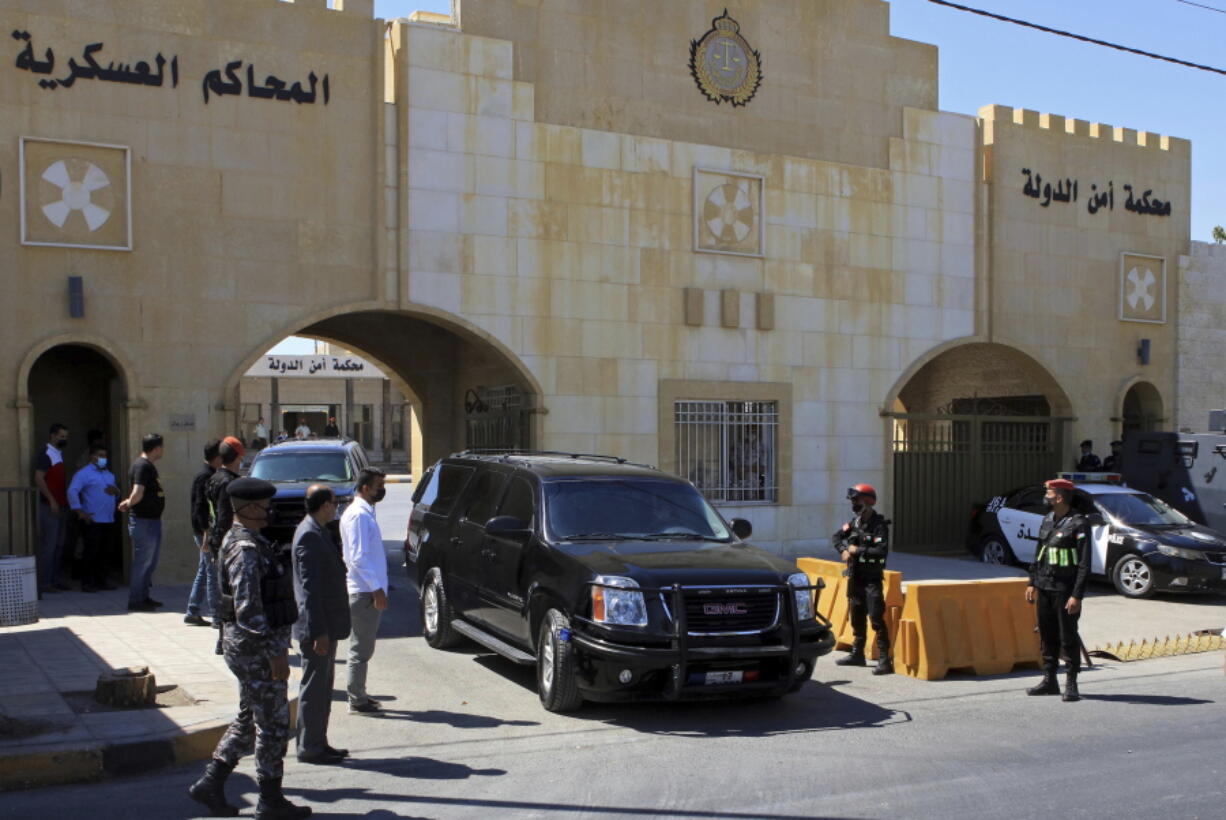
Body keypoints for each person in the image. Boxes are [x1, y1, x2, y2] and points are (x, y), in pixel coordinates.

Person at [188, 477, 311, 820]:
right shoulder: (244, 548)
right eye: (264, 504)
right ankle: (270, 802)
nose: (269, 510)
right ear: (248, 508)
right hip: (255, 649)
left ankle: (210, 784)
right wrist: (275, 652)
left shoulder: (248, 541)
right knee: (272, 725)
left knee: (248, 720)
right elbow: (248, 608)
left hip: (248, 647)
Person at [292, 485, 351, 763]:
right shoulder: (309, 536)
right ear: (324, 505)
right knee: (313, 690)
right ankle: (309, 746)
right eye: (334, 502)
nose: (336, 507)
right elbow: (309, 590)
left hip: (327, 625)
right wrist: (319, 632)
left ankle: (318, 740)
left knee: (323, 689)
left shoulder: (317, 531)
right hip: (318, 629)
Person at [1025, 478, 1092, 702]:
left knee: (1068, 637)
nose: (1046, 497)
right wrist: (1032, 582)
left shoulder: (1079, 523)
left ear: (1060, 497)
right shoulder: (1047, 520)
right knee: (1047, 635)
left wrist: (1077, 595)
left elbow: (1084, 563)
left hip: (1065, 590)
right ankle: (1049, 680)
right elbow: (1039, 554)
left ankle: (1071, 683)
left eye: (1049, 493)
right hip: (1044, 587)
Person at [341, 467, 388, 714]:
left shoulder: (363, 512)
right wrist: (376, 589)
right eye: (379, 485)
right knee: (360, 648)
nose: (382, 490)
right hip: (364, 592)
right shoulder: (359, 515)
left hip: (366, 590)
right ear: (366, 488)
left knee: (363, 647)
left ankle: (359, 693)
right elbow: (359, 558)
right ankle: (356, 698)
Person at [832, 483, 893, 675]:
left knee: (875, 616)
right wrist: (843, 550)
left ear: (867, 501)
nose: (854, 504)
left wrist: (857, 550)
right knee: (857, 615)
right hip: (855, 577)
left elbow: (881, 551)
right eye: (852, 501)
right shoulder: (854, 523)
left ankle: (884, 659)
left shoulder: (879, 525)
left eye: (856, 500)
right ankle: (857, 653)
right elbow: (836, 537)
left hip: (872, 578)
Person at [117, 434, 166, 612]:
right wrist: (128, 503)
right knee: (143, 562)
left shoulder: (147, 466)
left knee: (149, 563)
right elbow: (138, 492)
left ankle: (144, 596)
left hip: (151, 520)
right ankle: (136, 600)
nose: (162, 450)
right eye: (161, 447)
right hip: (143, 521)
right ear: (156, 448)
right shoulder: (142, 466)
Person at [66, 442, 119, 592]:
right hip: (93, 519)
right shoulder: (83, 474)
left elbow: (115, 493)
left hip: (108, 519)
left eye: (105, 456)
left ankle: (102, 580)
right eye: (100, 455)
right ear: (92, 457)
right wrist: (79, 511)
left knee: (105, 552)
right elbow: (72, 491)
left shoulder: (109, 474)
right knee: (91, 552)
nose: (103, 458)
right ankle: (88, 583)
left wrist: (116, 492)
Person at [186, 439, 223, 626]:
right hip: (204, 531)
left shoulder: (207, 474)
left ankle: (192, 609)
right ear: (217, 457)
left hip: (202, 530)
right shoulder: (205, 476)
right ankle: (216, 616)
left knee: (204, 569)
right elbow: (201, 507)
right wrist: (206, 533)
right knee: (212, 572)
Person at [33, 423, 72, 594]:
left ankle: (54, 580)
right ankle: (45, 583)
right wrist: (51, 500)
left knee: (59, 545)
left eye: (65, 436)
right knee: (49, 546)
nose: (64, 439)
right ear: (52, 436)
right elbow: (38, 478)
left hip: (61, 506)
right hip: (49, 507)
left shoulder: (58, 454)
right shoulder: (47, 453)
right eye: (61, 436)